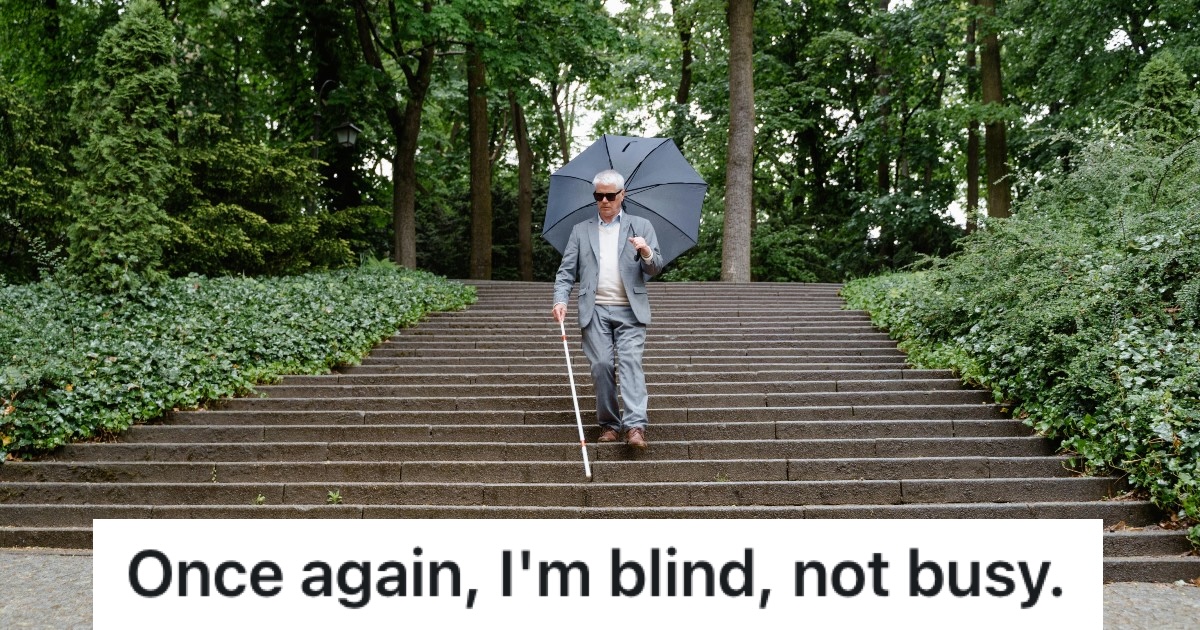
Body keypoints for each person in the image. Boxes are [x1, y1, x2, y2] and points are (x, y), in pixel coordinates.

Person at [552, 169, 662, 449]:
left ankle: (635, 426)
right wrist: (560, 299)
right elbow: (566, 272)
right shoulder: (581, 230)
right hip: (595, 309)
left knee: (630, 363)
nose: (604, 201)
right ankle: (610, 424)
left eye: (610, 195)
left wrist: (646, 251)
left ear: (622, 195)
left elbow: (655, 268)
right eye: (598, 195)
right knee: (601, 365)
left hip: (630, 309)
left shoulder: (641, 226)